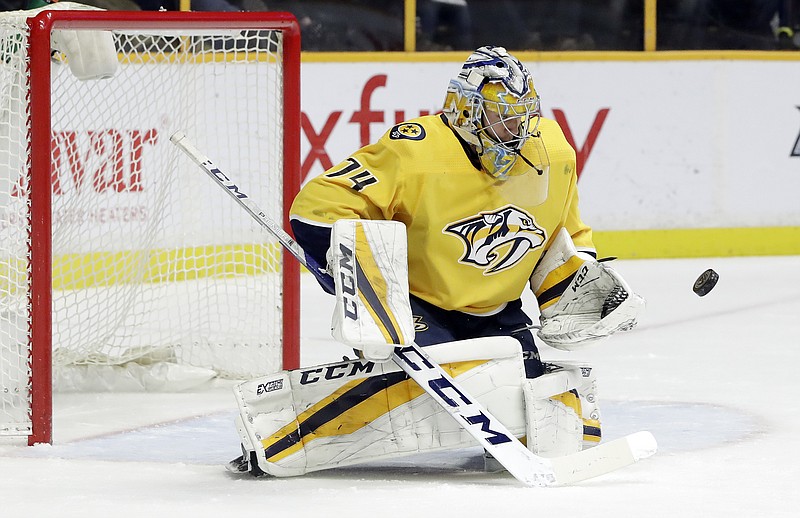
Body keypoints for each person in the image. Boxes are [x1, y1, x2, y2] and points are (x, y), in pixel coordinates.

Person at [289, 45, 640, 379]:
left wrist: (584, 282)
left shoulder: (551, 152)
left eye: (521, 118)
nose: (515, 132)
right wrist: (358, 279)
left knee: (530, 394)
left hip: (498, 312)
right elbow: (315, 209)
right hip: (419, 307)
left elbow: (564, 234)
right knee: (428, 393)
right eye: (501, 118)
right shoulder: (416, 151)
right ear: (466, 110)